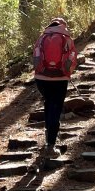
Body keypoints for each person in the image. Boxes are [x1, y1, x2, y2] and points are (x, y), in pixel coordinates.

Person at [33, 17, 78, 152]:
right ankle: (51, 144)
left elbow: (35, 58)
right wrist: (67, 73)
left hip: (41, 78)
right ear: (63, 26)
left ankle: (49, 134)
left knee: (48, 103)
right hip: (59, 79)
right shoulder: (67, 38)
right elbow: (73, 58)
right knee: (55, 108)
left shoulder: (41, 38)